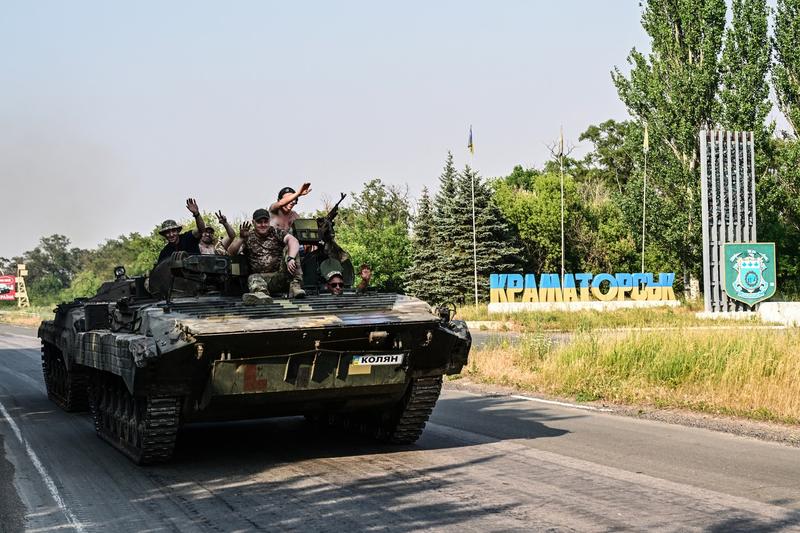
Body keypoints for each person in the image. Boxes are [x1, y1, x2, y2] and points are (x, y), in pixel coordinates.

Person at [227, 209, 306, 303]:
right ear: (253, 223)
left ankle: (295, 287)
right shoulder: (248, 236)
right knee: (253, 278)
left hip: (282, 277)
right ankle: (261, 295)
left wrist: (291, 258)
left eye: (266, 221)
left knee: (291, 247)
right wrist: (241, 238)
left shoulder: (276, 232)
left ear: (269, 221)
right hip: (262, 279)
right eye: (259, 222)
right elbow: (231, 253)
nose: (263, 225)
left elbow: (293, 241)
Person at [156, 198, 206, 264]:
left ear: (178, 231)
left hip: (198, 272)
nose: (171, 234)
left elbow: (201, 229)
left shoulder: (188, 237)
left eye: (173, 231)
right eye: (167, 232)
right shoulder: (164, 252)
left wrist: (196, 214)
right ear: (164, 235)